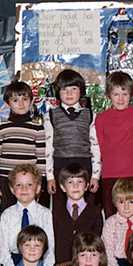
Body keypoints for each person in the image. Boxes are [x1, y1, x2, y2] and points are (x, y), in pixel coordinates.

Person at [95, 71, 133, 218]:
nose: (120, 99)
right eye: (116, 94)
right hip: (109, 175)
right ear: (108, 95)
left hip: (132, 175)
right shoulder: (101, 119)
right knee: (111, 216)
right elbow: (99, 148)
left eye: (125, 94)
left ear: (131, 95)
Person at [44, 69, 101, 208]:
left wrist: (95, 175)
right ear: (58, 92)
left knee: (87, 208)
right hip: (60, 168)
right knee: (60, 209)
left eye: (73, 88)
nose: (69, 93)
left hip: (84, 167)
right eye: (64, 89)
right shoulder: (50, 115)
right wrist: (50, 177)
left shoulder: (90, 115)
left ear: (81, 91)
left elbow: (95, 146)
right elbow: (48, 147)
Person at [0, 81, 47, 213]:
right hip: (6, 179)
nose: (21, 104)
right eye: (15, 100)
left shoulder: (37, 128)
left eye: (25, 99)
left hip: (29, 181)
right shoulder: (2, 127)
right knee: (7, 213)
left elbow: (41, 158)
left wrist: (40, 183)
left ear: (31, 101)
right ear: (7, 104)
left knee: (30, 214)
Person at [0, 164, 55, 266]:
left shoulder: (45, 214)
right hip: (14, 264)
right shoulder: (7, 215)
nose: (24, 189)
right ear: (12, 189)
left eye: (29, 184)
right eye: (19, 185)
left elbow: (50, 246)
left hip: (40, 265)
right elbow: (3, 247)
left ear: (38, 188)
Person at [52, 163, 104, 266]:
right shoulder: (56, 213)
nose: (75, 185)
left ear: (86, 186)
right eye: (70, 182)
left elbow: (98, 241)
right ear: (63, 187)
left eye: (80, 181)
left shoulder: (95, 212)